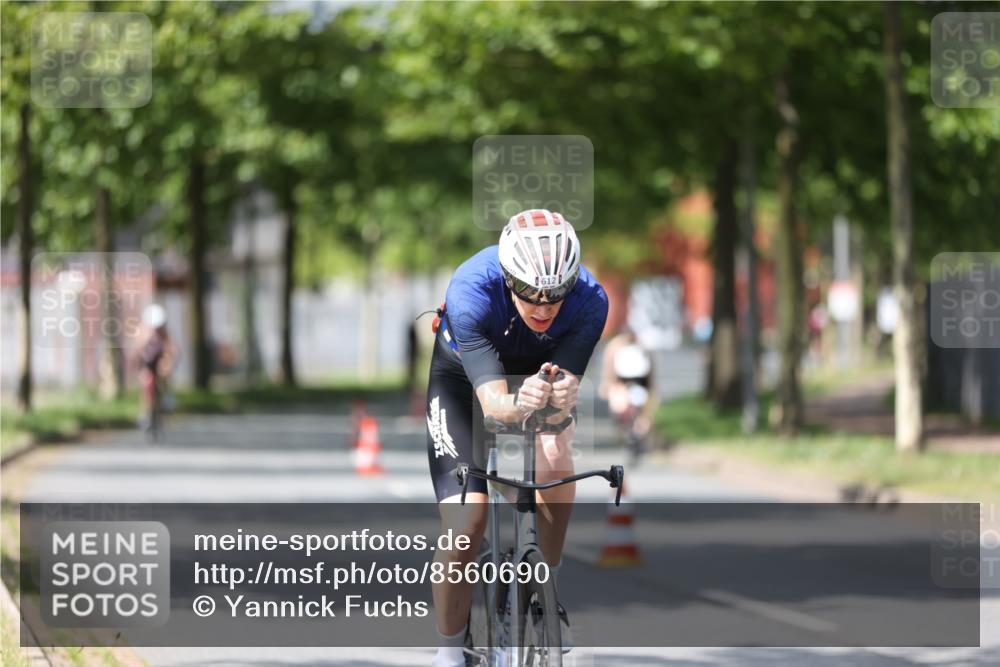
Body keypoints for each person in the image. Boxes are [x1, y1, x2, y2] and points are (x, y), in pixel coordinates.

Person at [426, 209, 608, 667]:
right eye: (529, 293)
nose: (544, 307)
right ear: (508, 278)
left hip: (535, 373)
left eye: (556, 295)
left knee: (556, 451)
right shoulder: (471, 291)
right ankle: (448, 653)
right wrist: (521, 402)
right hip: (464, 381)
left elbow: (561, 398)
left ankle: (544, 587)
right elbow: (495, 408)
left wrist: (562, 398)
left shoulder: (591, 300)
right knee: (467, 522)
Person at [599, 327, 656, 463]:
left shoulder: (617, 346)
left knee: (633, 415)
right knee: (634, 414)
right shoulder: (637, 347)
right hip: (631, 384)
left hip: (627, 384)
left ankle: (635, 437)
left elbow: (609, 368)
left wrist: (607, 384)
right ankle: (634, 436)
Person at [134, 303, 176, 433]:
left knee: (164, 373)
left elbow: (172, 350)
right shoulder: (142, 332)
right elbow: (136, 353)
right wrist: (146, 340)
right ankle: (145, 413)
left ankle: (166, 396)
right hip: (147, 363)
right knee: (146, 383)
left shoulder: (164, 334)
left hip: (159, 362)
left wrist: (168, 363)